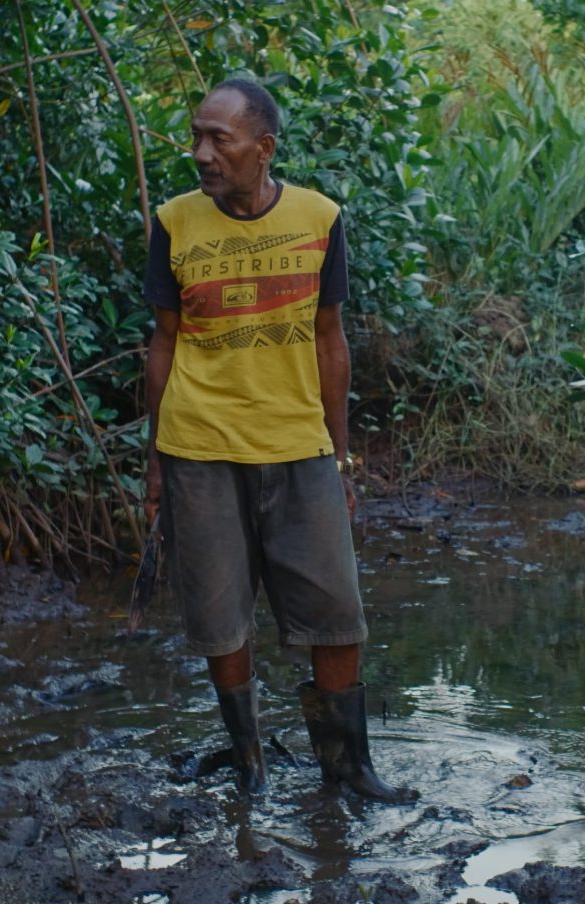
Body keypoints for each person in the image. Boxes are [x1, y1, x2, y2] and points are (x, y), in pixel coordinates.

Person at [141, 77, 414, 803]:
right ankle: (251, 763)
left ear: (262, 150)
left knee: (336, 614)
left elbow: (331, 341)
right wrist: (155, 458)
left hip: (299, 447)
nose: (201, 152)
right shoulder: (174, 223)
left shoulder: (319, 219)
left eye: (217, 139)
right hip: (199, 447)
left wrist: (342, 453)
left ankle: (347, 768)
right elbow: (163, 344)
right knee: (221, 617)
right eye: (197, 135)